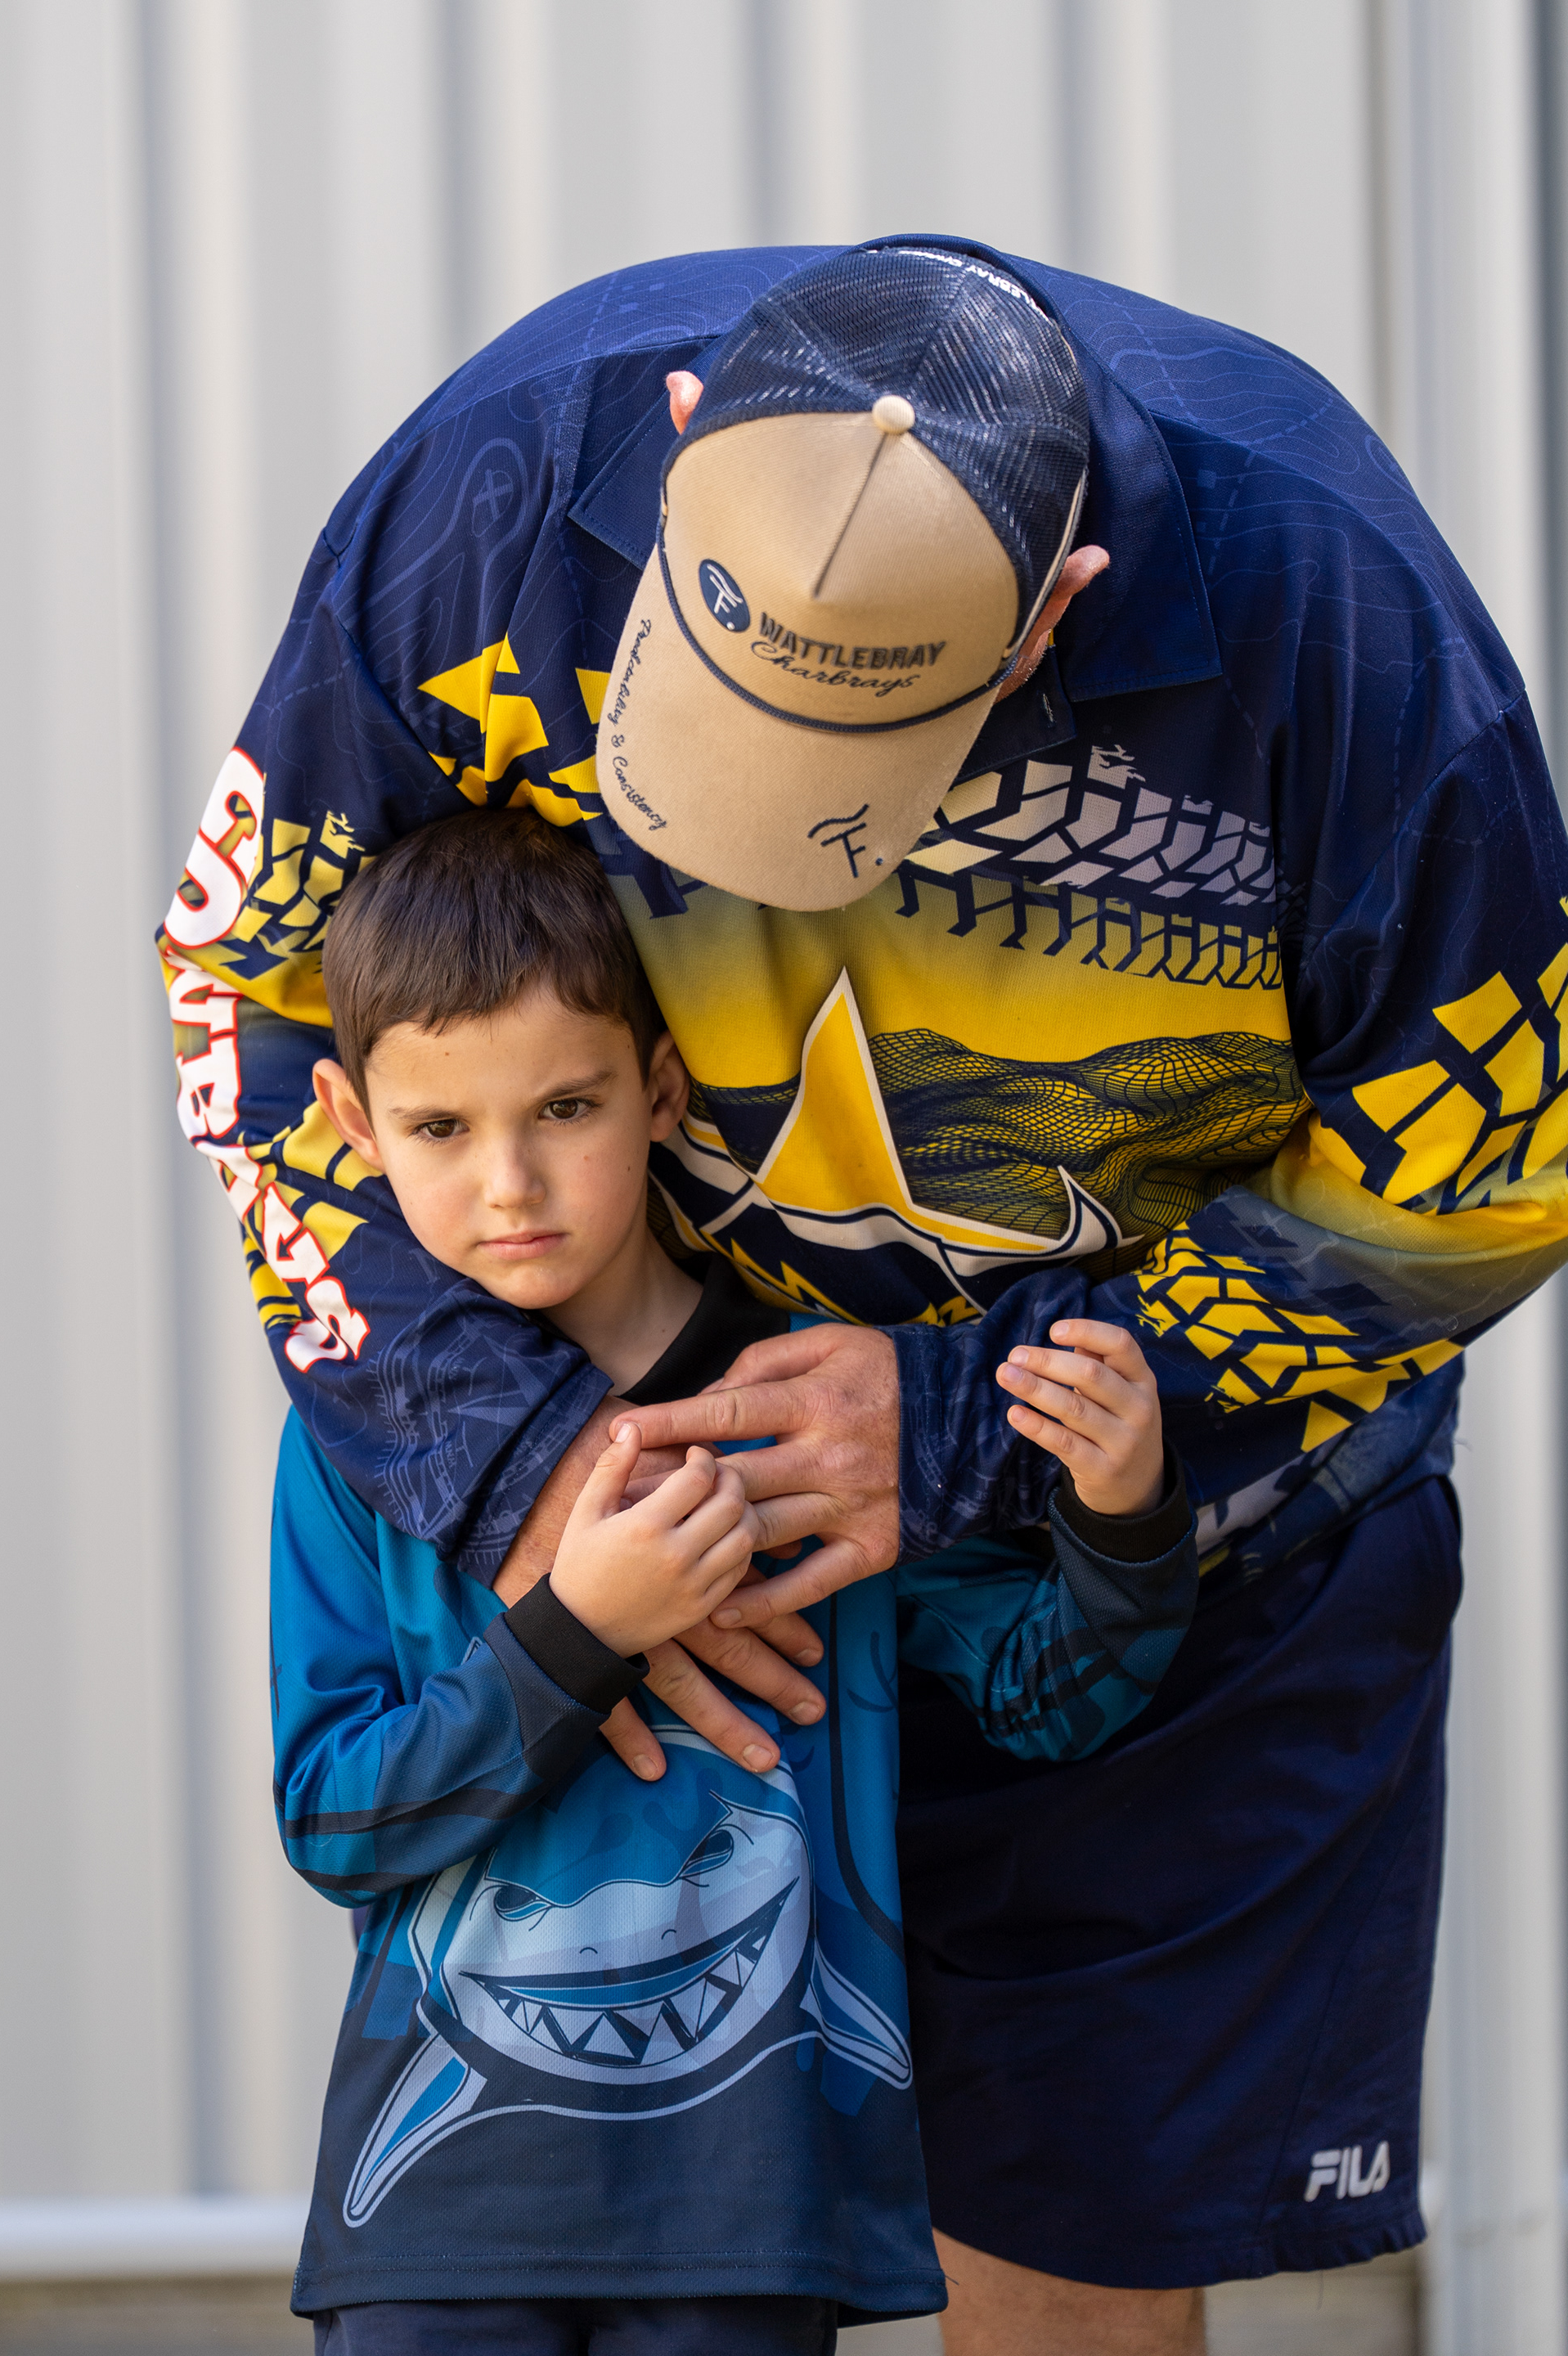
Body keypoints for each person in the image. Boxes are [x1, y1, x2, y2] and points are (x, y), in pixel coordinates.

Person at [162, 239, 1568, 2353]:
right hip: (679, 1537)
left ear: (1056, 611)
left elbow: (1488, 1164)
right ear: (674, 449)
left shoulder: (1347, 637)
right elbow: (260, 996)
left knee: (1080, 2245)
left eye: (839, 774)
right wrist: (538, 1462)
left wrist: (973, 1425)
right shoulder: (483, 500)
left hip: (1160, 1557)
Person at [275, 805, 1199, 2353]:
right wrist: (580, 1632)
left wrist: (1122, 1511)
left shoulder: (816, 1414)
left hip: (752, 2216)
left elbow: (1051, 1700)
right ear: (351, 1124)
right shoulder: (356, 1436)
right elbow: (334, 1820)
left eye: (564, 1106)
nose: (510, 1183)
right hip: (437, 2220)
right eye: (439, 1129)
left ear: (660, 1088)